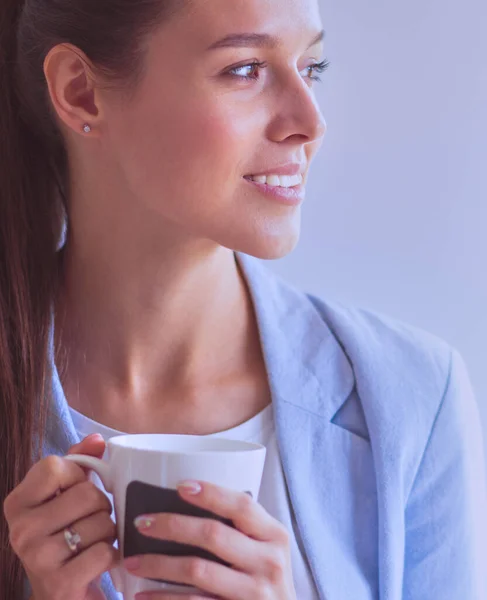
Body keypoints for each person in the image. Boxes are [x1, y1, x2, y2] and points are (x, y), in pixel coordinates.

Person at [1, 0, 486, 598]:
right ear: (81, 92)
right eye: (246, 69)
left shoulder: (414, 396)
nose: (310, 121)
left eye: (313, 68)